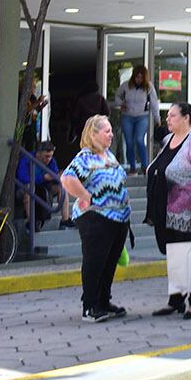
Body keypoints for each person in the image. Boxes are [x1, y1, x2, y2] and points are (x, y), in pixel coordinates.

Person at [145, 102, 191, 319]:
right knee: (174, 256)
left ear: (186, 118)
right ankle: (176, 299)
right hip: (166, 208)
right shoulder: (168, 140)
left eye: (173, 116)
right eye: (167, 116)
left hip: (188, 211)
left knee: (190, 255)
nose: (168, 119)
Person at [60, 115, 130, 323]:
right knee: (95, 262)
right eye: (106, 131)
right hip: (96, 218)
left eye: (110, 130)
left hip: (118, 218)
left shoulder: (108, 155)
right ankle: (90, 306)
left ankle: (103, 301)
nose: (110, 134)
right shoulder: (85, 157)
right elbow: (67, 178)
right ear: (93, 133)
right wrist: (84, 195)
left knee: (109, 262)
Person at [113, 65, 158, 174]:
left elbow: (154, 103)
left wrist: (157, 118)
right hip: (127, 116)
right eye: (137, 77)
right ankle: (132, 167)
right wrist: (121, 104)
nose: (139, 79)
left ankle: (145, 166)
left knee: (139, 139)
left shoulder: (148, 87)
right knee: (129, 142)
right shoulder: (126, 85)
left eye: (141, 77)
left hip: (142, 116)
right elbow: (117, 96)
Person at [17, 141, 70, 230]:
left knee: (62, 188)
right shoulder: (27, 159)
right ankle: (30, 222)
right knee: (29, 188)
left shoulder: (51, 161)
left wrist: (59, 177)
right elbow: (22, 178)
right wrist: (43, 177)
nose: (49, 159)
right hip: (26, 188)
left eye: (51, 156)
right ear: (38, 154)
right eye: (46, 156)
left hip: (44, 188)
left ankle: (65, 220)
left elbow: (55, 174)